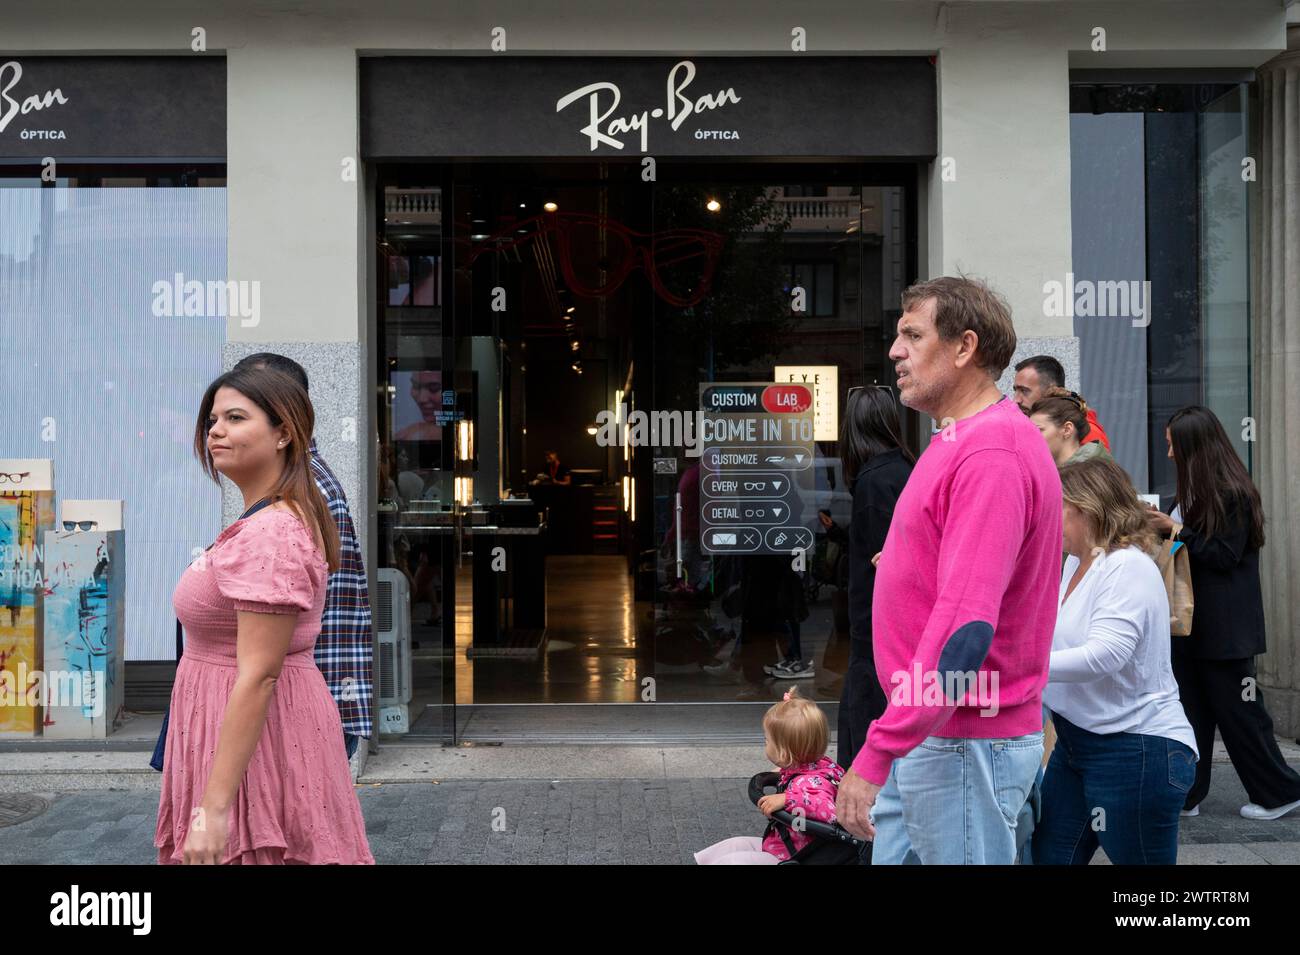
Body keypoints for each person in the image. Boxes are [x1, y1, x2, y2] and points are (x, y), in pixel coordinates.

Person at [835, 276, 1062, 865]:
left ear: (964, 348)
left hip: (960, 740)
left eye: (912, 335)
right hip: (937, 733)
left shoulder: (989, 453)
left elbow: (966, 631)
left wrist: (879, 749)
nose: (895, 351)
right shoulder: (964, 439)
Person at [155, 366, 374, 864]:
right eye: (213, 419)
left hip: (261, 740)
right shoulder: (264, 518)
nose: (215, 430)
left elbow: (259, 674)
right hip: (234, 734)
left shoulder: (273, 533)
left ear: (284, 433)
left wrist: (213, 810)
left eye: (235, 417)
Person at [1032, 457, 1198, 864]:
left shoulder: (1127, 567)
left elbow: (1104, 655)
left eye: (1057, 507)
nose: (1047, 518)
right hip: (1076, 745)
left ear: (1086, 509)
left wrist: (1022, 667)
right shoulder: (1075, 562)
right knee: (1049, 858)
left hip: (1137, 749)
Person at [1147, 406, 1300, 821]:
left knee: (1241, 716)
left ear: (1193, 446)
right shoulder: (1194, 491)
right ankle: (1188, 793)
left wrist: (1174, 530)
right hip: (1194, 627)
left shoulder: (1232, 493)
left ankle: (1279, 791)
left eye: (1172, 444)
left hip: (1225, 630)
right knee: (1190, 712)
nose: (1170, 453)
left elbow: (1222, 555)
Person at [233, 353, 374, 761]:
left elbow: (274, 620)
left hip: (301, 702)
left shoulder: (301, 494)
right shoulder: (292, 484)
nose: (219, 427)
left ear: (284, 417)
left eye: (241, 412)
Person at [820, 387, 914, 776]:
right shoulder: (903, 467)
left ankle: (863, 825)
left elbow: (881, 560)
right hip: (891, 629)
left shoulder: (874, 481)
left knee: (866, 723)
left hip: (878, 631)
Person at [694, 687, 845, 864]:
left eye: (767, 740)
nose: (765, 743)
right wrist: (784, 773)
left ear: (783, 752)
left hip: (795, 857)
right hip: (780, 846)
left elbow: (829, 811)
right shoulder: (818, 766)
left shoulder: (812, 783)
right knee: (734, 845)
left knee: (734, 861)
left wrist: (789, 799)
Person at [1013, 354, 1110, 451]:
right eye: (1015, 390)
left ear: (1050, 390)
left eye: (1024, 391)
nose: (1016, 400)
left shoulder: (1087, 432)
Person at [1028, 388, 1112, 467]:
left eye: (1038, 430)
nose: (1030, 438)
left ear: (1067, 429)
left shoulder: (1088, 476)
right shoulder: (1094, 472)